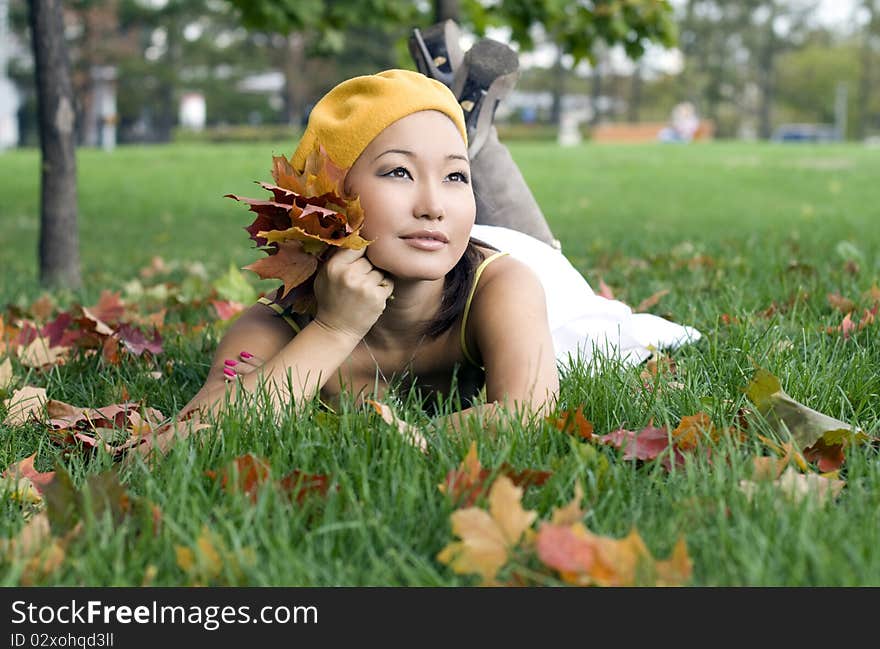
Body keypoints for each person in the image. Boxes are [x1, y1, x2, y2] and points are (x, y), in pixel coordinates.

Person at [178, 32, 701, 440]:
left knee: (543, 253)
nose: (431, 203)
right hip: (439, 245)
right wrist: (335, 330)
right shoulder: (280, 323)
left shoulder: (508, 285)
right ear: (327, 199)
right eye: (398, 172)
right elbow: (189, 439)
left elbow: (530, 411)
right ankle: (463, 135)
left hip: (506, 262)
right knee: (446, 203)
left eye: (456, 178)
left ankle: (472, 141)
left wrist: (409, 438)